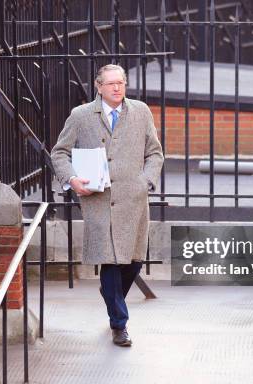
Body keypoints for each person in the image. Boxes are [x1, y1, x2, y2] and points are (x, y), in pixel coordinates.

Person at [50, 64, 164, 346]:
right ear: (98, 86)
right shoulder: (81, 116)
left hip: (133, 200)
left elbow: (155, 153)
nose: (117, 88)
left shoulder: (140, 111)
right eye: (111, 83)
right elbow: (59, 153)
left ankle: (111, 297)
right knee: (110, 262)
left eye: (121, 83)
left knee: (134, 262)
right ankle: (119, 324)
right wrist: (72, 180)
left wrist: (145, 181)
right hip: (98, 201)